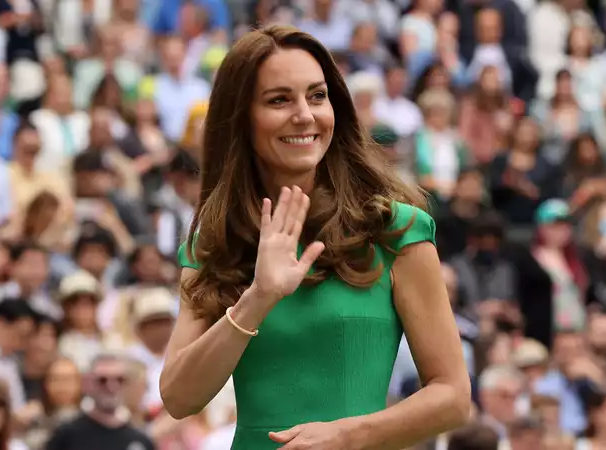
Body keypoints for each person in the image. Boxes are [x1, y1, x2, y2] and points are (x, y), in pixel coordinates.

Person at [160, 25, 471, 450]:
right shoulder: (215, 242)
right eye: (279, 100)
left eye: (317, 96)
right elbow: (179, 398)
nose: (305, 115)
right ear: (242, 118)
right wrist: (258, 298)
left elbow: (452, 397)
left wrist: (347, 435)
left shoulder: (395, 230)